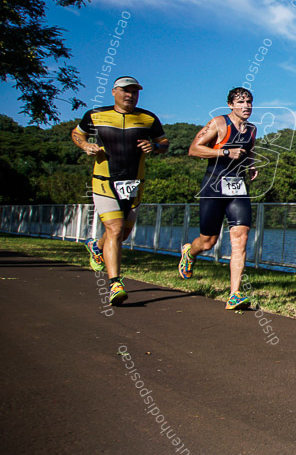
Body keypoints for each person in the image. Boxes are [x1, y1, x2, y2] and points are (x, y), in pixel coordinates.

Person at [71, 76, 169, 305]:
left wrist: (154, 146)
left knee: (122, 233)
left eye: (135, 92)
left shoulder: (148, 118)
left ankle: (96, 246)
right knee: (114, 229)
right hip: (104, 180)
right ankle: (115, 283)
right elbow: (77, 133)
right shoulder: (95, 115)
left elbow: (164, 144)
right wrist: (85, 145)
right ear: (114, 92)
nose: (130, 95)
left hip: (134, 184)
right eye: (126, 91)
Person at [178, 87, 258, 310]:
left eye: (249, 102)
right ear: (230, 105)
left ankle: (234, 294)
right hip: (213, 186)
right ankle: (189, 252)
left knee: (240, 236)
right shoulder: (218, 123)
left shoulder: (252, 129)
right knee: (208, 241)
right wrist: (224, 152)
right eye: (241, 102)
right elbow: (194, 149)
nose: (246, 106)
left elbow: (249, 150)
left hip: (237, 186)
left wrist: (250, 166)